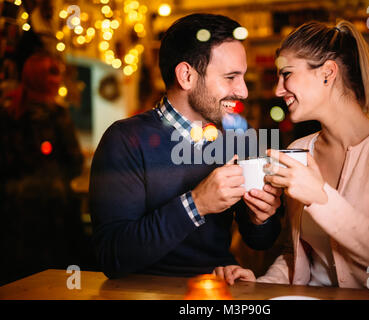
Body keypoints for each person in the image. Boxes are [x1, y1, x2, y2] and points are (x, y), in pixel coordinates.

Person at [214, 20, 369, 293]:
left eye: (287, 74)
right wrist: (260, 284)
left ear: (328, 73)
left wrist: (320, 198)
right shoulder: (300, 148)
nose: (278, 89)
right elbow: (300, 257)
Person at [89, 13, 282, 279]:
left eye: (243, 77)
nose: (243, 91)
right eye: (230, 77)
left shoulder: (238, 136)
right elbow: (111, 256)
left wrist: (261, 218)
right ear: (186, 76)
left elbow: (259, 240)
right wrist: (197, 203)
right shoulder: (125, 140)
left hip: (217, 293)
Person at [0, 52, 84, 285]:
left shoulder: (8, 112)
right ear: (38, 78)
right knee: (56, 279)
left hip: (13, 212)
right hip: (52, 210)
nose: (58, 80)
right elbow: (74, 160)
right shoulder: (55, 115)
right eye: (53, 73)